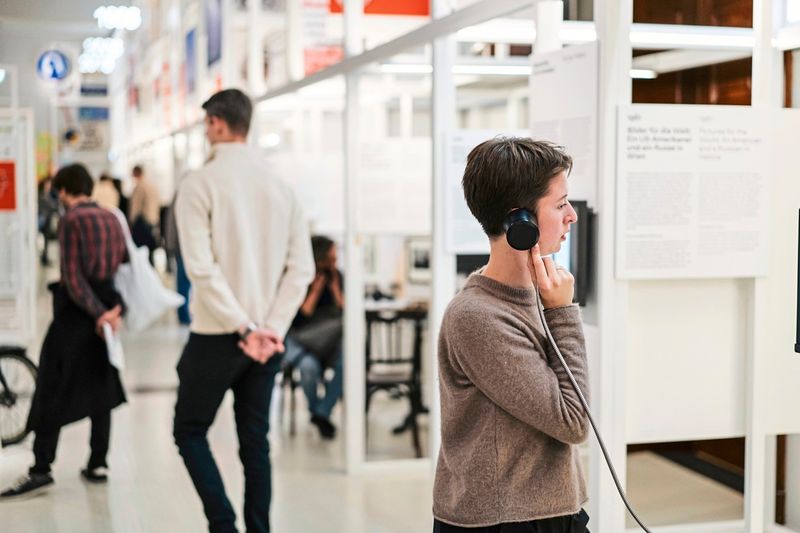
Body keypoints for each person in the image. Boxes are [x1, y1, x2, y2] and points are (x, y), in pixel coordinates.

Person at [173, 88, 314, 533]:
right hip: (267, 342)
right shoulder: (281, 188)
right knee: (256, 443)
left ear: (216, 123)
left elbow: (200, 268)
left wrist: (244, 327)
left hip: (217, 334)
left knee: (189, 430)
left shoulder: (198, 184)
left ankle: (223, 524)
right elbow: (302, 269)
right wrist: (269, 328)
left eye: (206, 123)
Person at [433, 138, 590, 532]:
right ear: (519, 222)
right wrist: (563, 314)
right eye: (560, 205)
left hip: (548, 511)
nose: (572, 216)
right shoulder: (477, 317)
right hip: (506, 520)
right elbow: (573, 420)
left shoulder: (538, 296)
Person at [1, 163, 128, 500]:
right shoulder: (112, 217)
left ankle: (41, 468)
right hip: (107, 311)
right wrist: (112, 312)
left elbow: (73, 278)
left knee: (52, 386)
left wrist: (96, 313)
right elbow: (123, 268)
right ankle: (98, 462)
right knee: (101, 386)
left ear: (64, 190)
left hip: (76, 316)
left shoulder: (71, 219)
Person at [283, 235, 344, 439]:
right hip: (304, 342)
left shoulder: (338, 277)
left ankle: (322, 412)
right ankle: (317, 412)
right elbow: (300, 317)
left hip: (329, 342)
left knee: (347, 364)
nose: (334, 262)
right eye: (331, 258)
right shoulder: (301, 278)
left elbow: (345, 311)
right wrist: (315, 290)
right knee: (308, 369)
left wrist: (335, 290)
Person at [128, 164, 160, 264]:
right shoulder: (152, 186)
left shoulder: (139, 187)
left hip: (143, 224)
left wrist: (131, 222)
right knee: (151, 252)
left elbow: (135, 208)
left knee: (142, 255)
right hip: (153, 222)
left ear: (135, 173)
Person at [36, 176, 59, 266]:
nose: (49, 186)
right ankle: (43, 257)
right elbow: (50, 206)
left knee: (46, 239)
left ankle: (44, 257)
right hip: (41, 219)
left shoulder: (47, 195)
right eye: (47, 184)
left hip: (45, 220)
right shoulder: (41, 195)